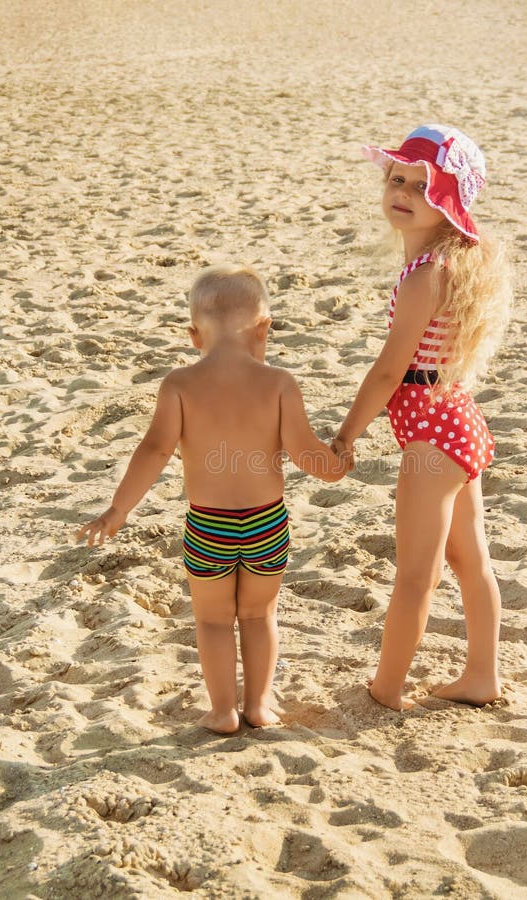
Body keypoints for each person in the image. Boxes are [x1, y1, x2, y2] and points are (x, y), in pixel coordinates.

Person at [77, 264, 350, 733]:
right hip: (267, 524)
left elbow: (156, 450)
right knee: (259, 615)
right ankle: (259, 705)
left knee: (214, 622)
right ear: (264, 328)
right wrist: (338, 461)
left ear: (193, 335)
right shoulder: (279, 383)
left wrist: (118, 510)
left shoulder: (179, 385)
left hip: (209, 526)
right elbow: (307, 455)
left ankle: (223, 710)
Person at [333, 124, 512, 711]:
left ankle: (385, 688)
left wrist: (345, 434)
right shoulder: (441, 263)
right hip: (454, 420)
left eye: (423, 184)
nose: (403, 191)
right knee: (468, 559)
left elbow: (389, 372)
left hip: (432, 436)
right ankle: (481, 676)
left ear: (450, 200)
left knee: (416, 573)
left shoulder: (426, 275)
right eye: (397, 178)